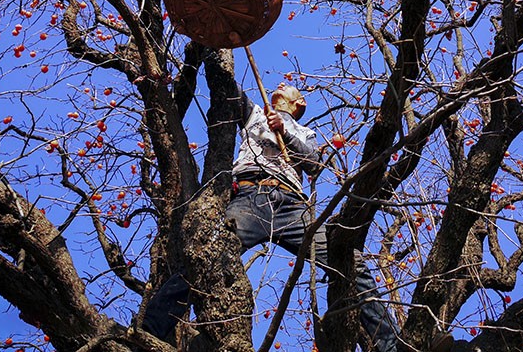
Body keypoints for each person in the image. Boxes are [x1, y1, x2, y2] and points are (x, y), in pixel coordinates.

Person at [141, 82, 402, 351]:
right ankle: (147, 332)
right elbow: (228, 86)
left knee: (351, 262)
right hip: (251, 197)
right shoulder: (255, 112)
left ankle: (392, 345)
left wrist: (284, 132)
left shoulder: (305, 132)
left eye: (289, 87)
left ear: (299, 102)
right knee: (204, 257)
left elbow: (313, 164)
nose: (280, 84)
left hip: (292, 206)